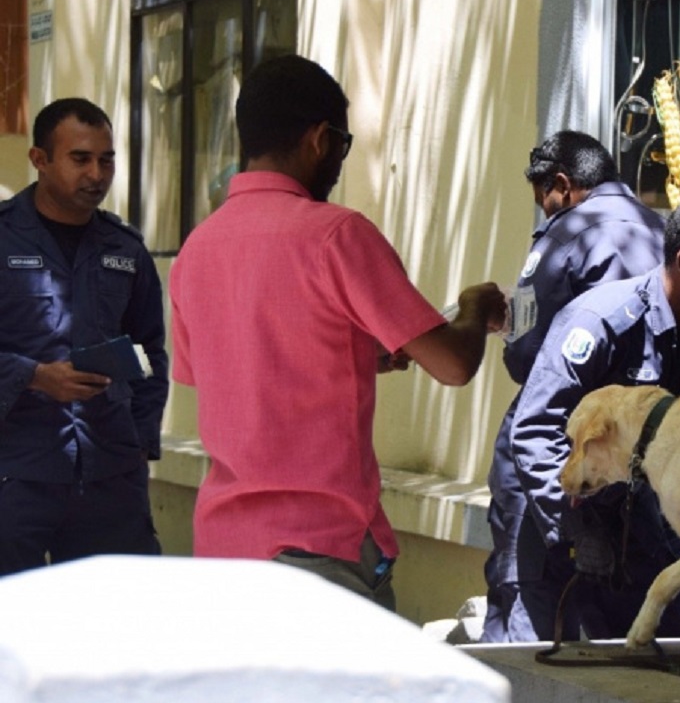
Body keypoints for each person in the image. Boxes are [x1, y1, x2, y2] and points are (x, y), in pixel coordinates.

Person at [169, 55, 506, 611]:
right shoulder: (336, 235)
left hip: (223, 554)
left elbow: (229, 372)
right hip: (318, 554)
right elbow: (452, 363)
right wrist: (472, 308)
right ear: (320, 139)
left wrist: (350, 352)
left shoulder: (196, 250)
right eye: (343, 147)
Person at [507, 189, 680, 642]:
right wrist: (574, 526)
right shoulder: (602, 322)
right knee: (541, 673)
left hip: (645, 531)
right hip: (565, 522)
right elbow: (535, 429)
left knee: (649, 667)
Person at [482, 131, 665, 641]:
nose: (546, 213)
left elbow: (524, 358)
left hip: (558, 448)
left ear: (561, 185)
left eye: (545, 201)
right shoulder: (665, 231)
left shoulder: (563, 237)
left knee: (529, 613)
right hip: (638, 458)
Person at [0, 98, 168, 574]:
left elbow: (151, 351)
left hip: (109, 475)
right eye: (81, 158)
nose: (97, 173)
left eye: (106, 158)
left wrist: (139, 443)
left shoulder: (125, 249)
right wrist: (31, 376)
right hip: (16, 472)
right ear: (40, 159)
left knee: (117, 625)